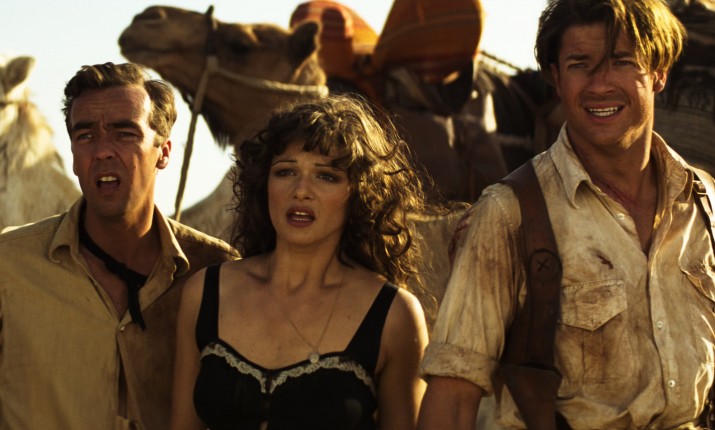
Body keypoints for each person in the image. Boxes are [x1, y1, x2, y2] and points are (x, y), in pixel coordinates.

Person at [416, 0, 715, 428]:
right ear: (556, 79)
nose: (600, 85)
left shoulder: (704, 203)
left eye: (621, 61)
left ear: (658, 72)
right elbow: (453, 398)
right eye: (580, 65)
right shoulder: (510, 215)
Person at [0, 62, 239, 429]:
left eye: (124, 134)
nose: (102, 151)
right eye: (85, 136)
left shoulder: (216, 274)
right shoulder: (9, 265)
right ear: (73, 155)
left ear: (163, 152)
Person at [170, 94, 430, 430]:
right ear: (264, 184)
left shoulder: (393, 315)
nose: (301, 190)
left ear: (360, 193)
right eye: (286, 171)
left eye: (326, 176)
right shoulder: (206, 292)